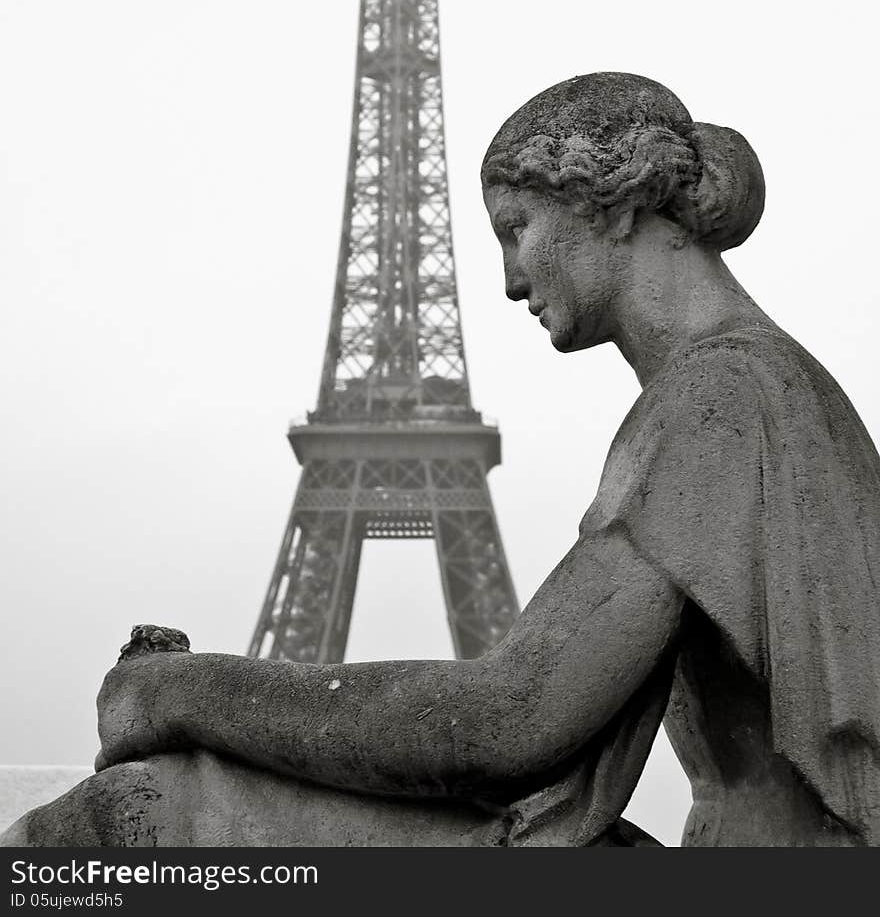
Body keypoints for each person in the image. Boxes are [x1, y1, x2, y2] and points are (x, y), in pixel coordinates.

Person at [4, 71, 879, 847]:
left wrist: (180, 694)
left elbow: (514, 719)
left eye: (516, 227)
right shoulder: (760, 389)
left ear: (612, 207)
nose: (507, 280)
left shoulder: (722, 401)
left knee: (150, 815)